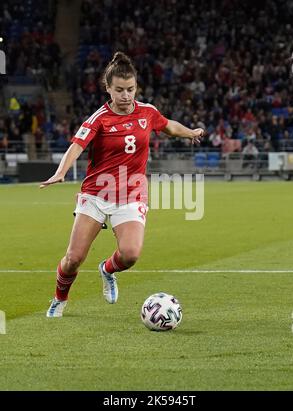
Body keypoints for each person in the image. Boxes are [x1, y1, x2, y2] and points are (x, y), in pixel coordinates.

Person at [40, 52, 204, 317]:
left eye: (130, 89)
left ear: (136, 87)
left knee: (130, 255)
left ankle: (107, 269)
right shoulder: (99, 118)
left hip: (131, 194)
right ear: (108, 89)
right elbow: (77, 145)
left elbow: (169, 126)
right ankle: (60, 298)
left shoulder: (147, 112)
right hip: (96, 194)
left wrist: (190, 133)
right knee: (73, 259)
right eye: (119, 90)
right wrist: (61, 172)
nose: (126, 95)